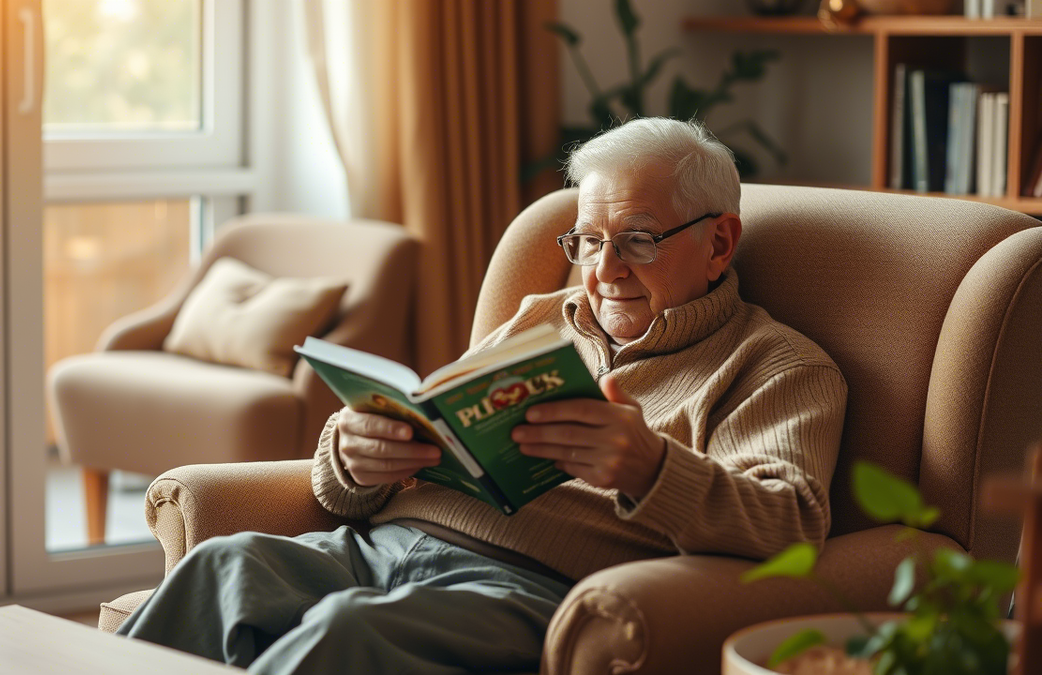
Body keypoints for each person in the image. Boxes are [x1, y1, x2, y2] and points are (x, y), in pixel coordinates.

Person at [117, 117, 848, 674]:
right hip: (379, 543)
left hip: (528, 588)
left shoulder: (776, 366)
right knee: (224, 564)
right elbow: (422, 432)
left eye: (639, 239)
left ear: (719, 243)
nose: (604, 270)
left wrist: (648, 466)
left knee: (349, 631)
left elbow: (793, 526)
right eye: (588, 241)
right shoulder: (539, 318)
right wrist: (352, 455)